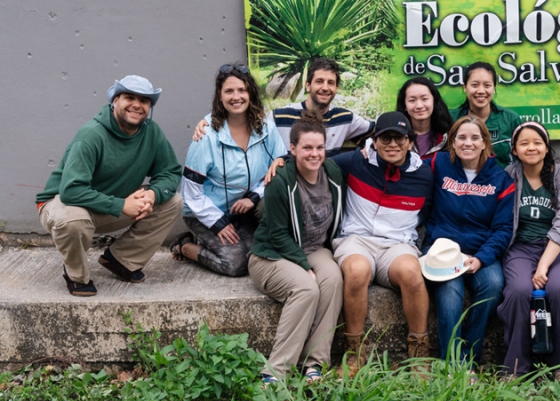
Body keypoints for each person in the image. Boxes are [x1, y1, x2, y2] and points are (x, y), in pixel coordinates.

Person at [36, 75, 183, 296]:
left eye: (144, 100)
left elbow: (170, 172)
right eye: (129, 97)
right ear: (115, 101)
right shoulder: (91, 134)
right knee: (73, 220)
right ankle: (76, 275)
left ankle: (121, 260)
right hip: (63, 205)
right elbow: (71, 191)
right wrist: (121, 205)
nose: (136, 104)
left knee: (172, 202)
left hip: (109, 205)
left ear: (149, 107)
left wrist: (152, 194)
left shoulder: (152, 132)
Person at [331, 111, 434, 375]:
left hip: (397, 244)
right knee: (356, 271)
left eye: (400, 138)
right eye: (385, 138)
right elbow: (314, 160)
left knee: (412, 273)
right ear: (374, 141)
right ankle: (354, 355)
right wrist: (283, 161)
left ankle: (418, 354)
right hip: (356, 239)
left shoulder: (424, 174)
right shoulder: (356, 161)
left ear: (410, 142)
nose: (392, 144)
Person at [248, 111, 344, 384]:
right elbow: (277, 235)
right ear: (292, 149)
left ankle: (315, 364)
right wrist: (304, 266)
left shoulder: (333, 172)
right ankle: (276, 372)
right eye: (307, 148)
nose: (314, 154)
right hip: (272, 255)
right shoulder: (280, 182)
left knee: (334, 279)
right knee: (306, 288)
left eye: (319, 147)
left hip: (314, 248)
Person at [497, 121, 560, 381]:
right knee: (517, 291)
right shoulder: (509, 175)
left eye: (537, 142)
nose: (531, 147)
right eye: (524, 143)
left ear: (547, 146)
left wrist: (543, 267)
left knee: (559, 290)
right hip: (521, 249)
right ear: (514, 149)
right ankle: (516, 366)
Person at [172, 64, 286, 276]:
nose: (236, 97)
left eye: (242, 90)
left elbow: (280, 164)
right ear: (220, 95)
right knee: (235, 264)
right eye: (229, 91)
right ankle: (185, 247)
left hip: (241, 211)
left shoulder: (265, 126)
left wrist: (253, 196)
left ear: (250, 93)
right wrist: (218, 224)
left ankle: (215, 243)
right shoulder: (206, 134)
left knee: (258, 256)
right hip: (204, 213)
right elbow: (191, 192)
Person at [422, 116, 514, 376]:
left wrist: (482, 258)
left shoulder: (500, 179)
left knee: (493, 284)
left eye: (475, 137)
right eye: (461, 137)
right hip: (442, 250)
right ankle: (452, 362)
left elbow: (503, 228)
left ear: (485, 142)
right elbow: (403, 162)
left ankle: (469, 358)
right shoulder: (438, 164)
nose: (468, 143)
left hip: (480, 249)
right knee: (451, 290)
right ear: (452, 142)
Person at [194, 58, 374, 156]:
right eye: (319, 81)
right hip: (288, 187)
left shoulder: (345, 118)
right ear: (308, 85)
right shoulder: (281, 116)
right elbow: (243, 118)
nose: (325, 87)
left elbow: (379, 128)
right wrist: (208, 120)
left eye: (331, 83)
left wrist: (368, 146)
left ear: (336, 88)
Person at [450, 62, 522, 168]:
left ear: (494, 88)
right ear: (465, 87)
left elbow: (521, 159)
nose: (481, 91)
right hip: (461, 182)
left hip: (503, 182)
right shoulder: (451, 119)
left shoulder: (510, 119)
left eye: (487, 85)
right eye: (474, 85)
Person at [395, 77, 452, 159]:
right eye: (412, 100)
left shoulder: (448, 137)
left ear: (434, 101)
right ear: (405, 106)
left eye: (424, 99)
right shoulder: (395, 137)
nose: (419, 106)